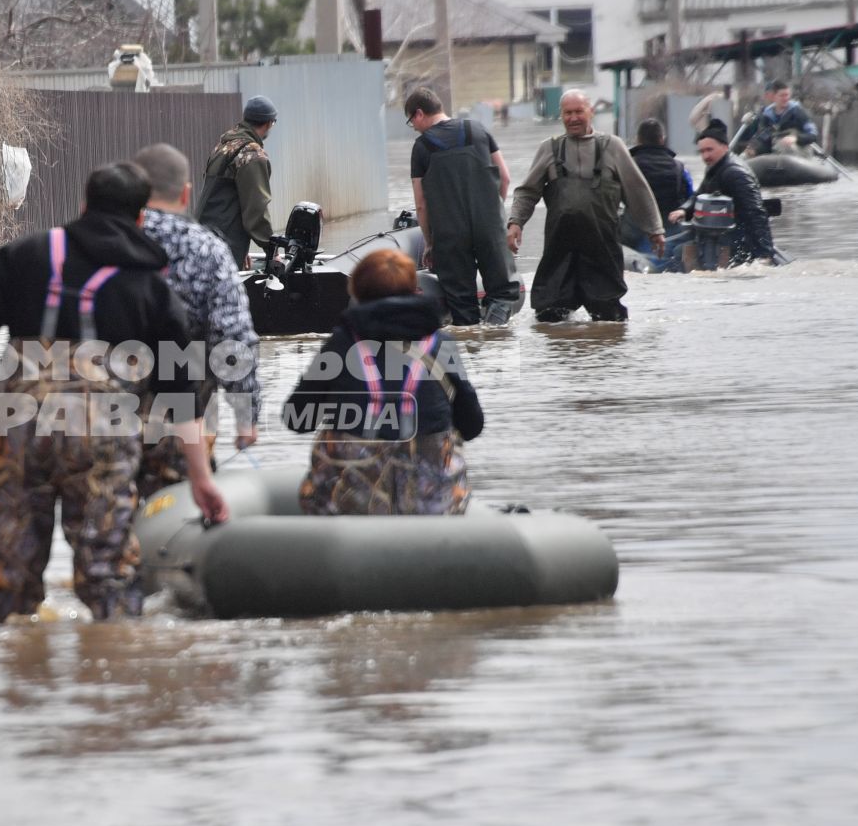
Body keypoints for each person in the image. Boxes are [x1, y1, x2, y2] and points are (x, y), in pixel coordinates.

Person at [0, 163, 228, 623]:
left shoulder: (21, 256)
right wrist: (201, 477)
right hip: (102, 424)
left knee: (16, 557)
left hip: (17, 419)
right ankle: (110, 665)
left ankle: (17, 664)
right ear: (141, 217)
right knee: (107, 568)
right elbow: (178, 390)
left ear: (83, 206)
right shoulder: (149, 286)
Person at [283, 249, 483, 516]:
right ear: (416, 290)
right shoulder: (442, 346)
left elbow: (297, 420)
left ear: (357, 293)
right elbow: (472, 426)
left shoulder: (341, 345)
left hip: (350, 508)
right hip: (431, 509)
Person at [130, 142, 261, 498]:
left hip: (99, 412)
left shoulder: (100, 243)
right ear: (186, 194)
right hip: (183, 416)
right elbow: (233, 337)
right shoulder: (206, 250)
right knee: (180, 516)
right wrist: (246, 414)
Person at [507, 90, 666, 322]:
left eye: (579, 111)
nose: (573, 118)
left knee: (609, 320)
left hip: (602, 250)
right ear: (561, 116)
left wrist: (655, 229)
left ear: (590, 112)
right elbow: (527, 191)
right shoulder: (549, 149)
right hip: (560, 251)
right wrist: (515, 222)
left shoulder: (613, 146)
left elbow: (637, 191)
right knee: (550, 317)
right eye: (568, 113)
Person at [403, 87, 518, 326]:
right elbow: (505, 178)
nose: (413, 126)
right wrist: (494, 215)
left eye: (411, 121)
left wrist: (430, 243)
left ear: (419, 114)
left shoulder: (422, 147)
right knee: (503, 294)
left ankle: (473, 354)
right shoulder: (477, 129)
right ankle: (495, 342)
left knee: (462, 305)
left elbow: (421, 204)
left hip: (449, 235)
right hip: (489, 227)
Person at [681, 121, 779, 269]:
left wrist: (764, 253)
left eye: (709, 150)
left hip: (739, 244)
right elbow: (700, 194)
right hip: (719, 239)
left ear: (725, 147)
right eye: (702, 151)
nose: (705, 155)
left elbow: (756, 212)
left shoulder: (735, 173)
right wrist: (683, 210)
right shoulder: (713, 170)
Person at [197, 95, 278, 267]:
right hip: (224, 245)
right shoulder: (252, 155)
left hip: (203, 238)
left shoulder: (224, 146)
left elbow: (221, 196)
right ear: (269, 123)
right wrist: (272, 250)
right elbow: (256, 209)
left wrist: (243, 248)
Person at [624, 117, 693, 257]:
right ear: (662, 139)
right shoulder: (679, 167)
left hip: (632, 231)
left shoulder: (628, 165)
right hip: (669, 231)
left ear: (638, 139)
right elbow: (690, 197)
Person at [746, 80, 820, 156]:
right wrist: (754, 148)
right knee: (746, 155)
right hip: (775, 154)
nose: (785, 98)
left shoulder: (799, 113)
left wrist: (796, 138)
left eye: (787, 95)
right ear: (774, 97)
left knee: (784, 146)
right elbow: (763, 138)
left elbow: (813, 135)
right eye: (782, 95)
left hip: (799, 152)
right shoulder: (767, 116)